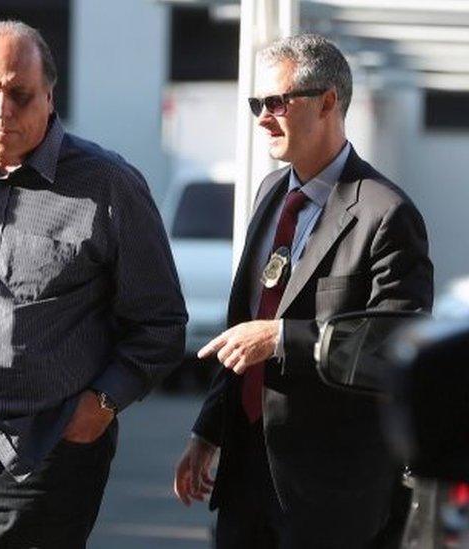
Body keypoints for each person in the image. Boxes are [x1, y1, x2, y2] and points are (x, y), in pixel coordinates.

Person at [0, 20, 187, 548]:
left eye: (20, 94)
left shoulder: (107, 184)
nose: (2, 110)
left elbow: (159, 324)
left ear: (49, 95)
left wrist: (102, 406)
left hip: (45, 454)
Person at [173, 34, 433, 548]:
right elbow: (242, 323)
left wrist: (281, 339)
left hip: (330, 493)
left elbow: (395, 344)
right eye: (257, 104)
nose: (263, 117)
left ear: (329, 101)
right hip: (247, 476)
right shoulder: (272, 194)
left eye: (277, 102)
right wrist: (209, 431)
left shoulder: (385, 213)